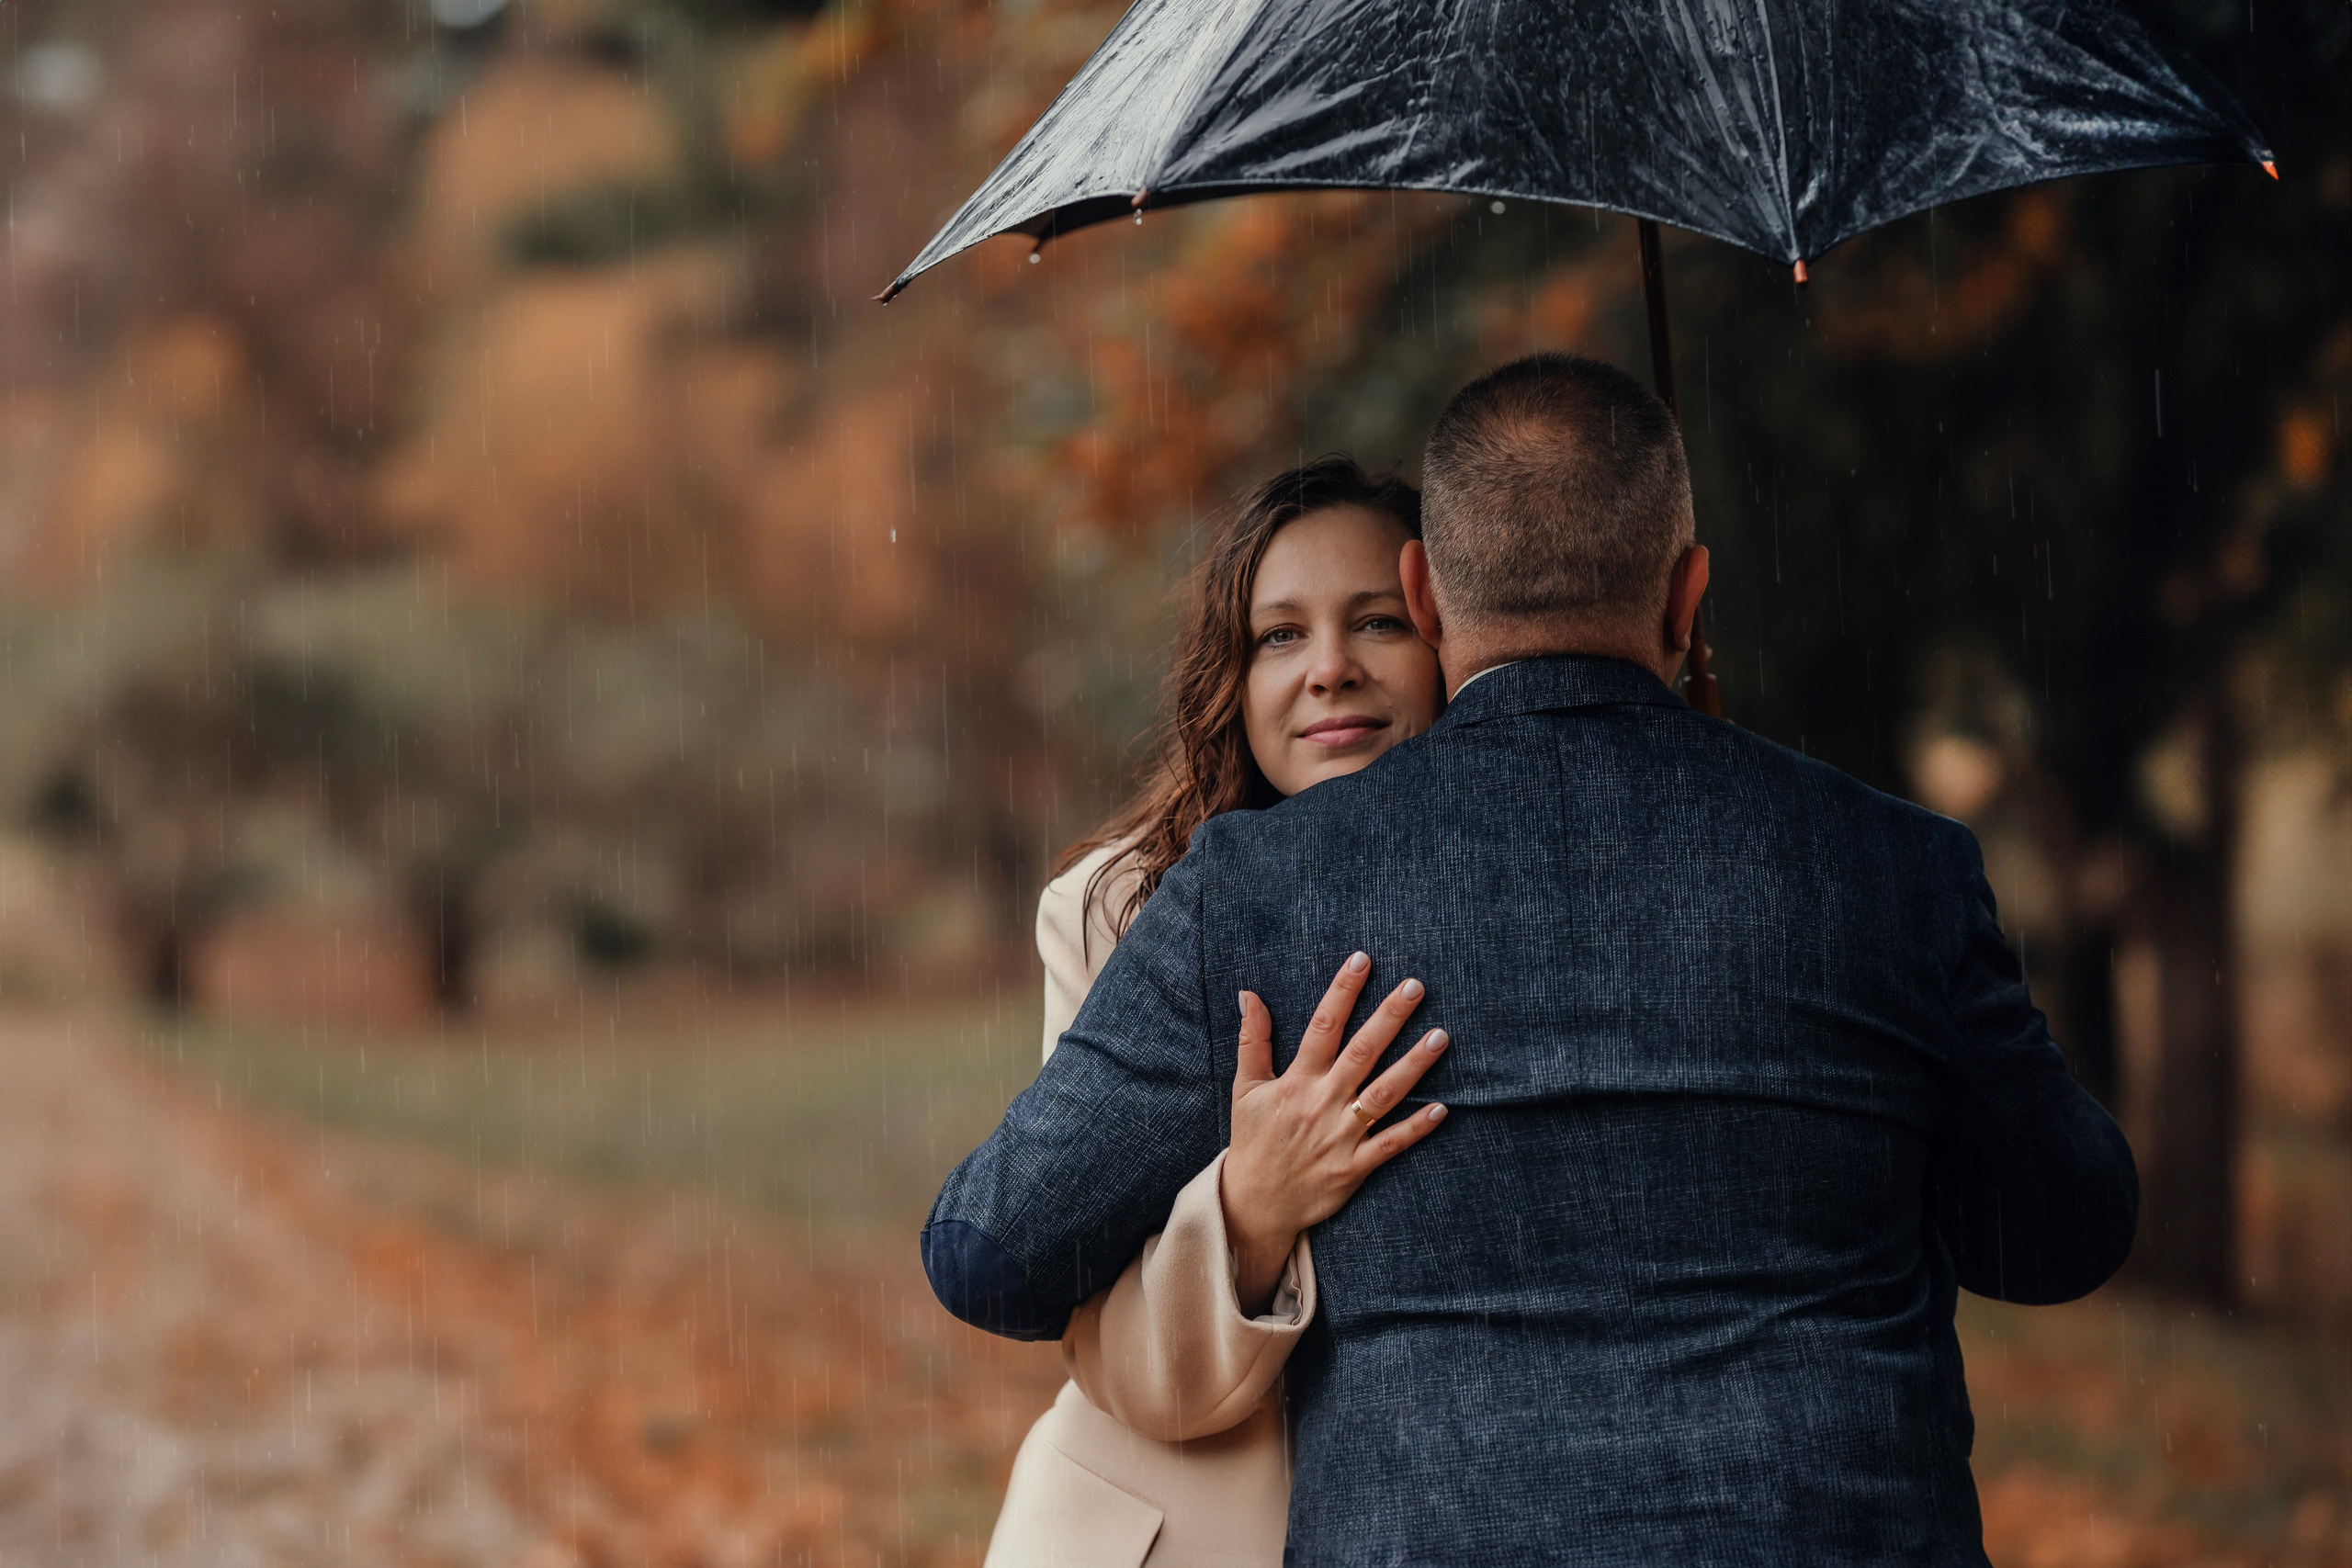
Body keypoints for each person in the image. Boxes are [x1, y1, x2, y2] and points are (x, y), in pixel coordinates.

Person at [928, 352, 2138, 1564]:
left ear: (1426, 595)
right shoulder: (1891, 866)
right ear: (1688, 594)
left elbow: (990, 1252)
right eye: (1281, 634)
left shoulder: (1257, 889)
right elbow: (2061, 1230)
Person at [986, 456, 1451, 1568]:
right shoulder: (1115, 913)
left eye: (1377, 622)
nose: (1329, 670)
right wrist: (1251, 1211)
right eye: (1279, 636)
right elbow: (1118, 1360)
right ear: (1229, 681)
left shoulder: (1551, 900)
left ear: (1452, 640)